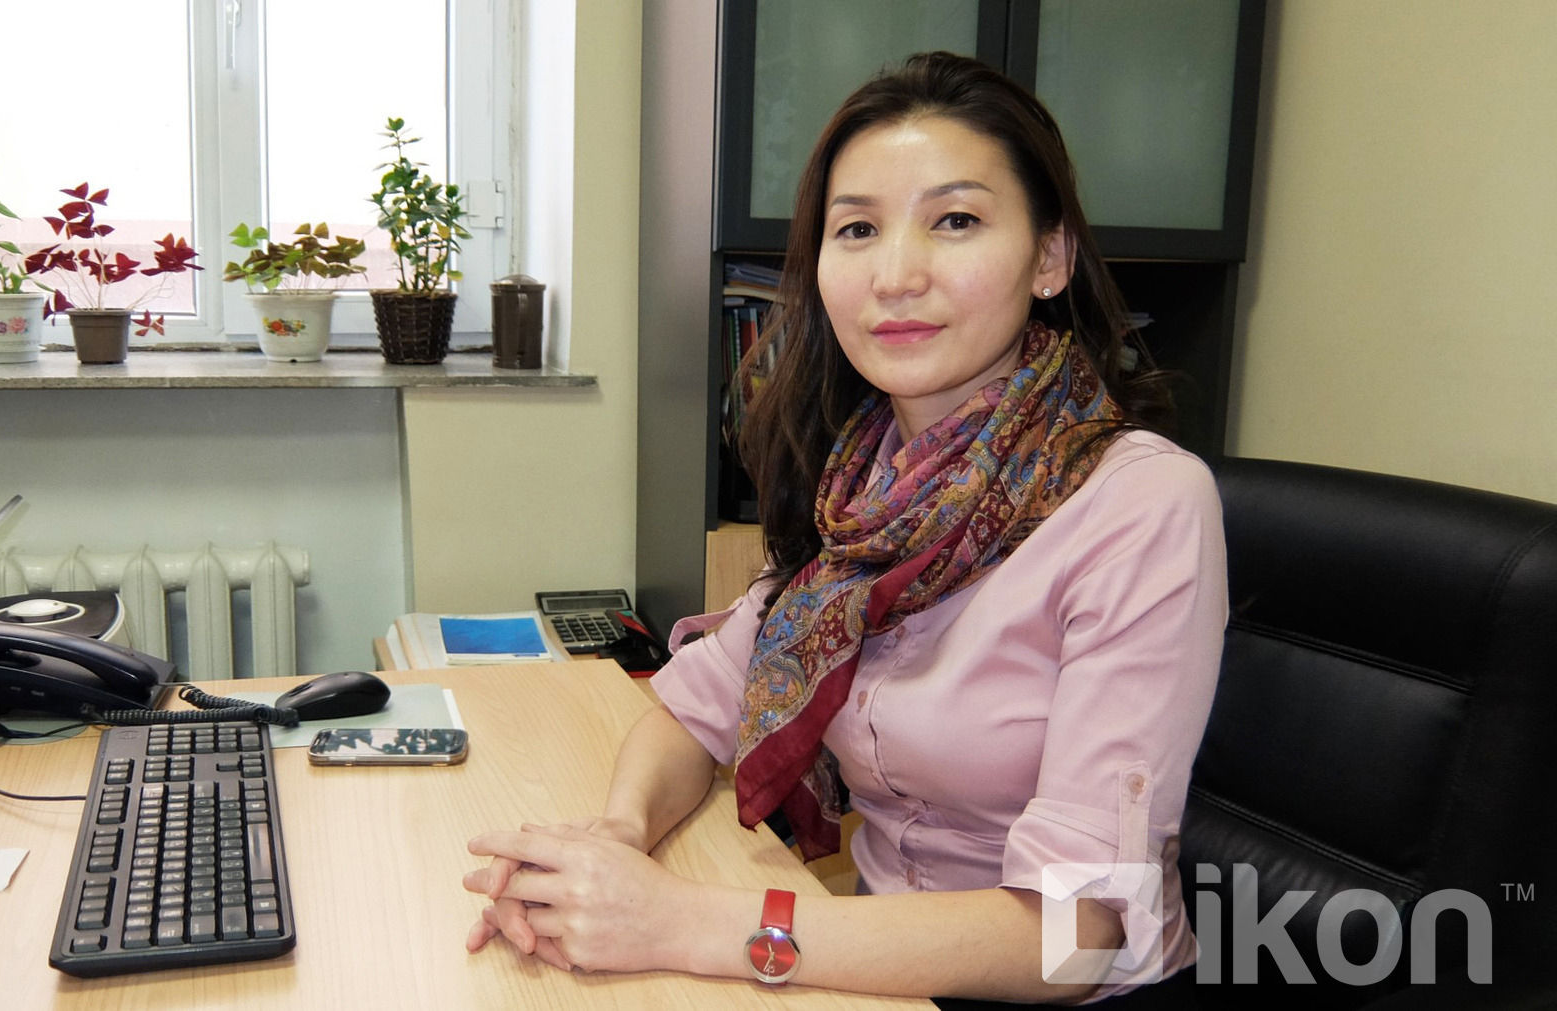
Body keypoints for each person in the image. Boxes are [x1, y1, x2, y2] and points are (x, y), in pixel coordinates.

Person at [462, 51, 1227, 1005]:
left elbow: (1075, 939)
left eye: (956, 220)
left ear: (1049, 259)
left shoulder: (1141, 504)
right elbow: (693, 708)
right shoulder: (862, 486)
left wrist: (679, 920)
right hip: (873, 978)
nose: (896, 275)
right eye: (857, 228)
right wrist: (617, 838)